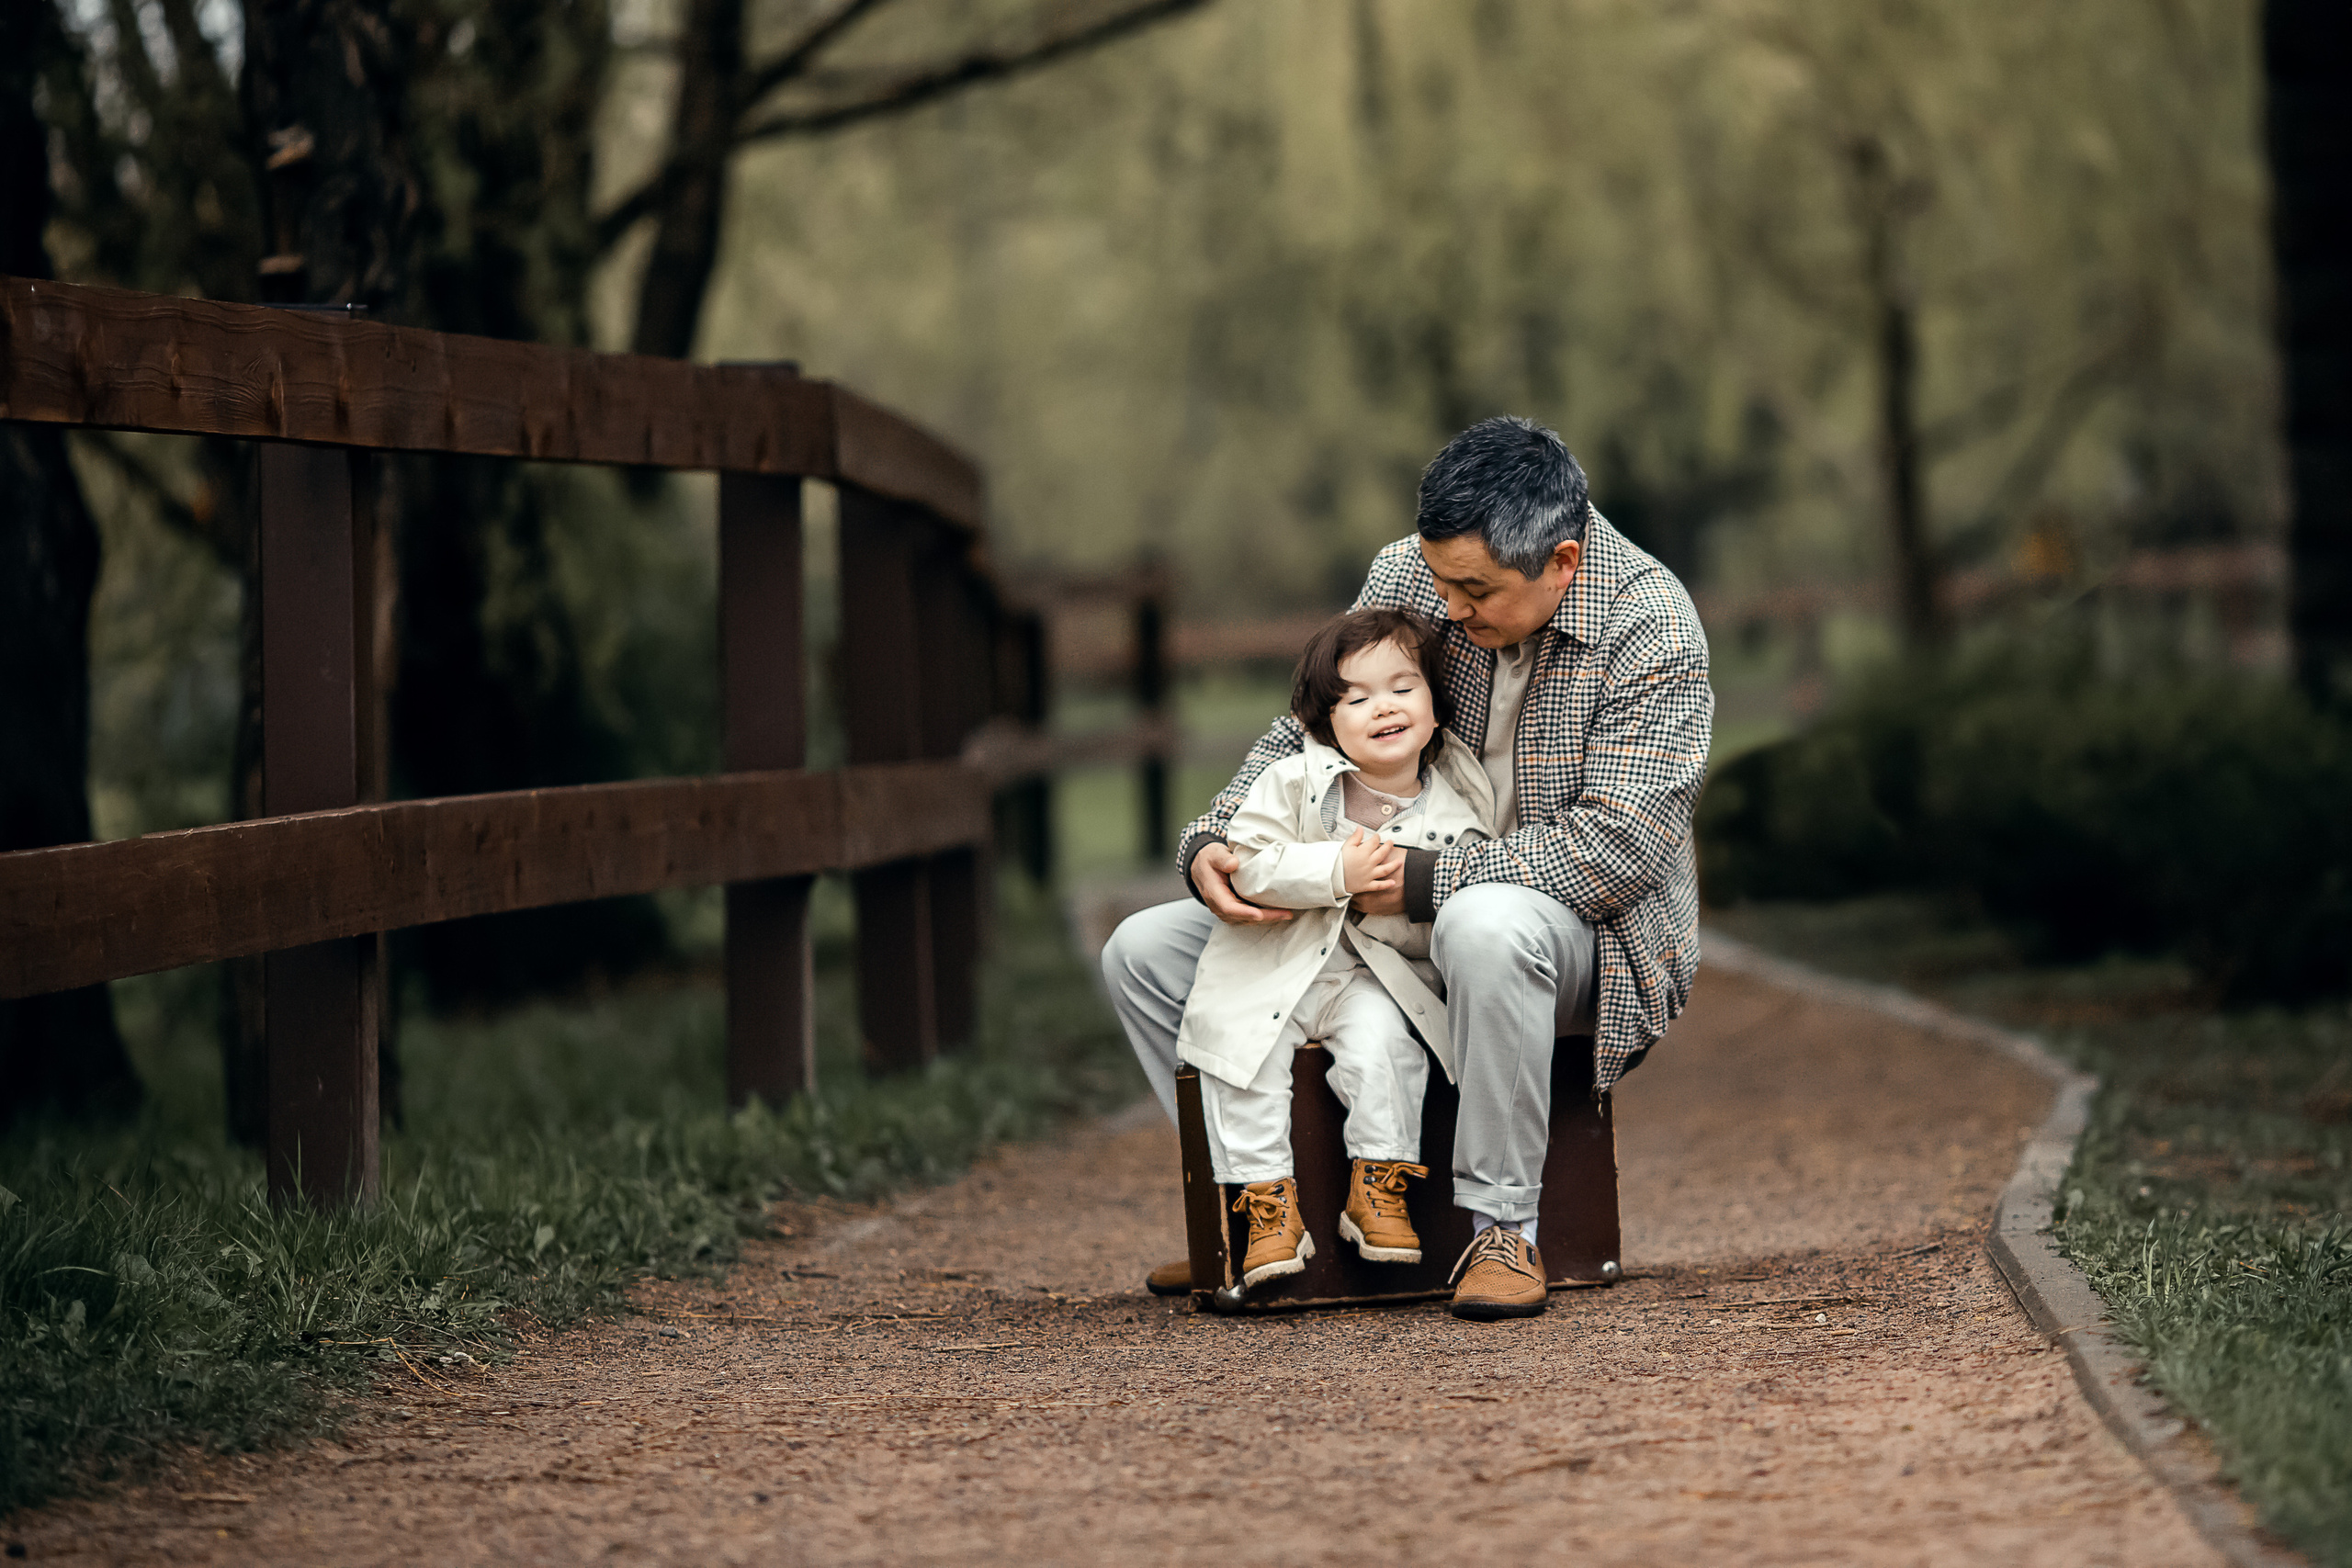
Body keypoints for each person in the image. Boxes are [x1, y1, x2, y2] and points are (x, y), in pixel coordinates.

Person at [1102, 415, 1713, 1321]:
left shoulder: (1652, 629)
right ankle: (1245, 1205)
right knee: (1144, 951)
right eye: (1439, 581)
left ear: (1563, 563)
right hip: (1370, 901)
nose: (1448, 608)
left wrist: (1429, 881)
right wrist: (1213, 839)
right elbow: (1311, 728)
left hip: (1577, 935)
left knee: (1484, 923)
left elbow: (1617, 850)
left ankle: (1502, 1228)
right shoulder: (1413, 571)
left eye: (1474, 591)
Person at [1179, 606, 1498, 1290]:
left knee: (1388, 1050)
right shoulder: (1292, 783)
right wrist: (1335, 872)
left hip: (1369, 982)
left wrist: (1403, 898)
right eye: (1357, 698)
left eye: (1403, 688)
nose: (1384, 707)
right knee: (1246, 1060)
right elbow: (1246, 864)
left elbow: (1449, 928)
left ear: (1436, 709)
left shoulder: (1457, 817)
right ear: (1325, 724)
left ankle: (1378, 1187)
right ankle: (1266, 1203)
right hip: (1277, 967)